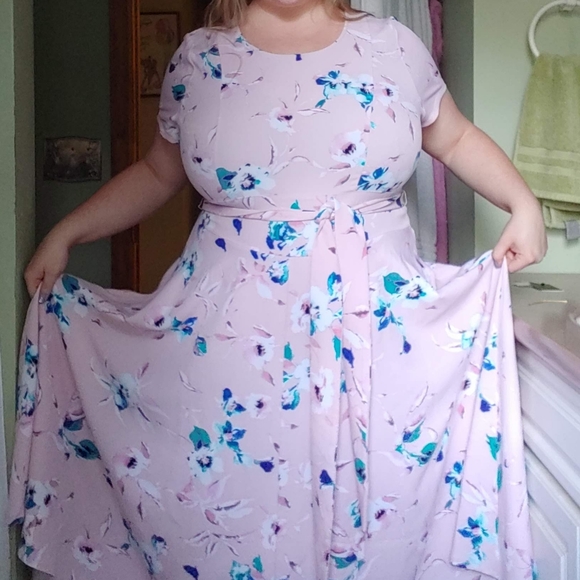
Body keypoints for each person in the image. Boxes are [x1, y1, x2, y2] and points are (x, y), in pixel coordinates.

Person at [9, 0, 546, 577]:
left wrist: (523, 204)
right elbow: (158, 173)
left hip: (379, 346)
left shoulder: (394, 45)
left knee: (382, 518)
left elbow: (456, 139)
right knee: (239, 523)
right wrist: (67, 232)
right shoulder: (199, 58)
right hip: (228, 359)